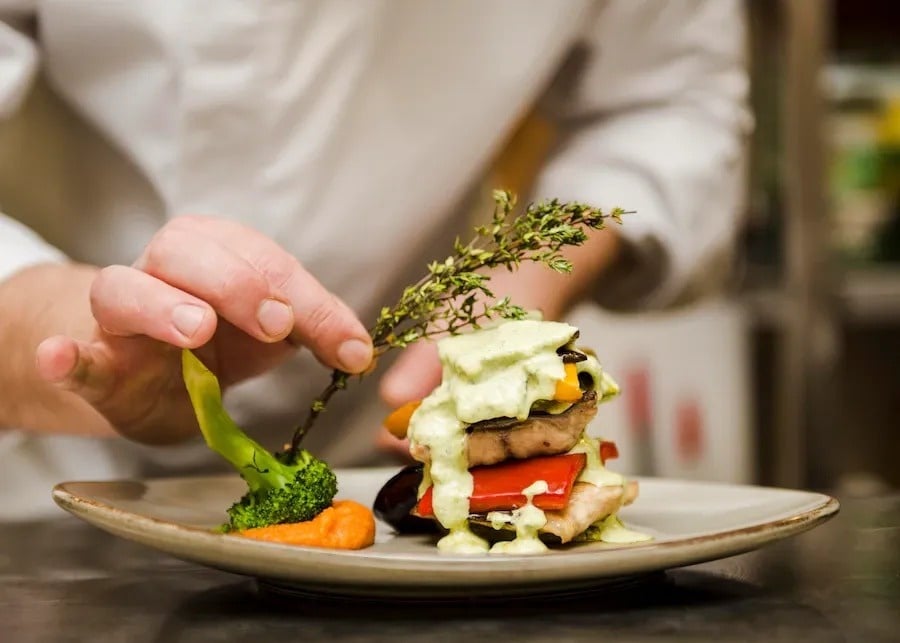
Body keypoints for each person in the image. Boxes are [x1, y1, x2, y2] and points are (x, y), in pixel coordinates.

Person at [0, 1, 751, 519]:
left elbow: (670, 97)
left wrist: (529, 268)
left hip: (378, 462)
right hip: (34, 467)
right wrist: (68, 329)